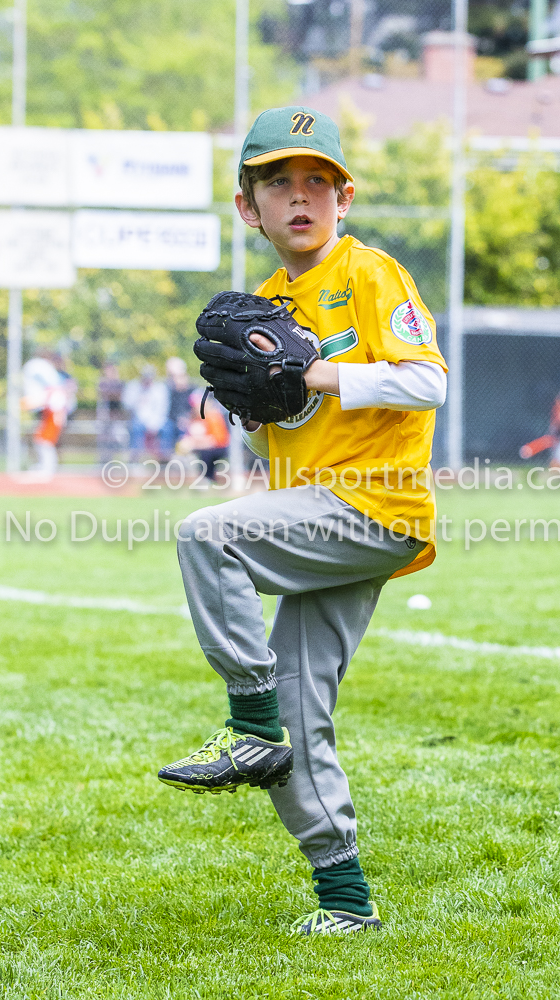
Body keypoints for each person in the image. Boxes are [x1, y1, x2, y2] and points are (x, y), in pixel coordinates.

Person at [157, 107, 447, 935]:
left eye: (316, 179)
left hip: (375, 506)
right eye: (277, 181)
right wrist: (259, 406)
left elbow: (429, 383)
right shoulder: (270, 301)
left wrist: (318, 373)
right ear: (248, 207)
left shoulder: (369, 272)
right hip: (320, 518)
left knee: (205, 534)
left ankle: (247, 724)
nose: (299, 196)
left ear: (344, 197)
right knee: (301, 716)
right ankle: (346, 902)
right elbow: (283, 421)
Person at [21, 349, 69, 478]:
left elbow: (52, 403)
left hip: (54, 416)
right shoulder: (52, 387)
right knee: (42, 440)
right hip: (51, 415)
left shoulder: (53, 391)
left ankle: (48, 468)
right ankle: (46, 467)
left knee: (45, 441)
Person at [176, 390, 230, 480]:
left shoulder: (213, 416)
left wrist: (194, 444)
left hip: (219, 447)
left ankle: (207, 478)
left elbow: (216, 441)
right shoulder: (195, 418)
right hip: (204, 447)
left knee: (206, 453)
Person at [121, 364, 170, 463]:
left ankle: (164, 459)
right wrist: (137, 400)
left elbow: (163, 409)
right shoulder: (134, 387)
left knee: (168, 429)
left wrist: (154, 424)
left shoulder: (160, 389)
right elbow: (126, 405)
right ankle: (135, 458)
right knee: (135, 428)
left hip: (157, 421)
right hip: (138, 420)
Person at [160, 357, 193, 460]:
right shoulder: (167, 390)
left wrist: (187, 418)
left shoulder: (191, 390)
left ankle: (183, 457)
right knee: (166, 428)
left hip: (187, 421)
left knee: (184, 429)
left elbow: (194, 409)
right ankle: (165, 458)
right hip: (170, 420)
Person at [97, 362, 125, 463]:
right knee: (104, 440)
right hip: (105, 416)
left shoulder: (119, 383)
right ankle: (104, 461)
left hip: (115, 416)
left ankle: (122, 462)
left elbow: (117, 396)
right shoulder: (103, 382)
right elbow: (105, 394)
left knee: (119, 439)